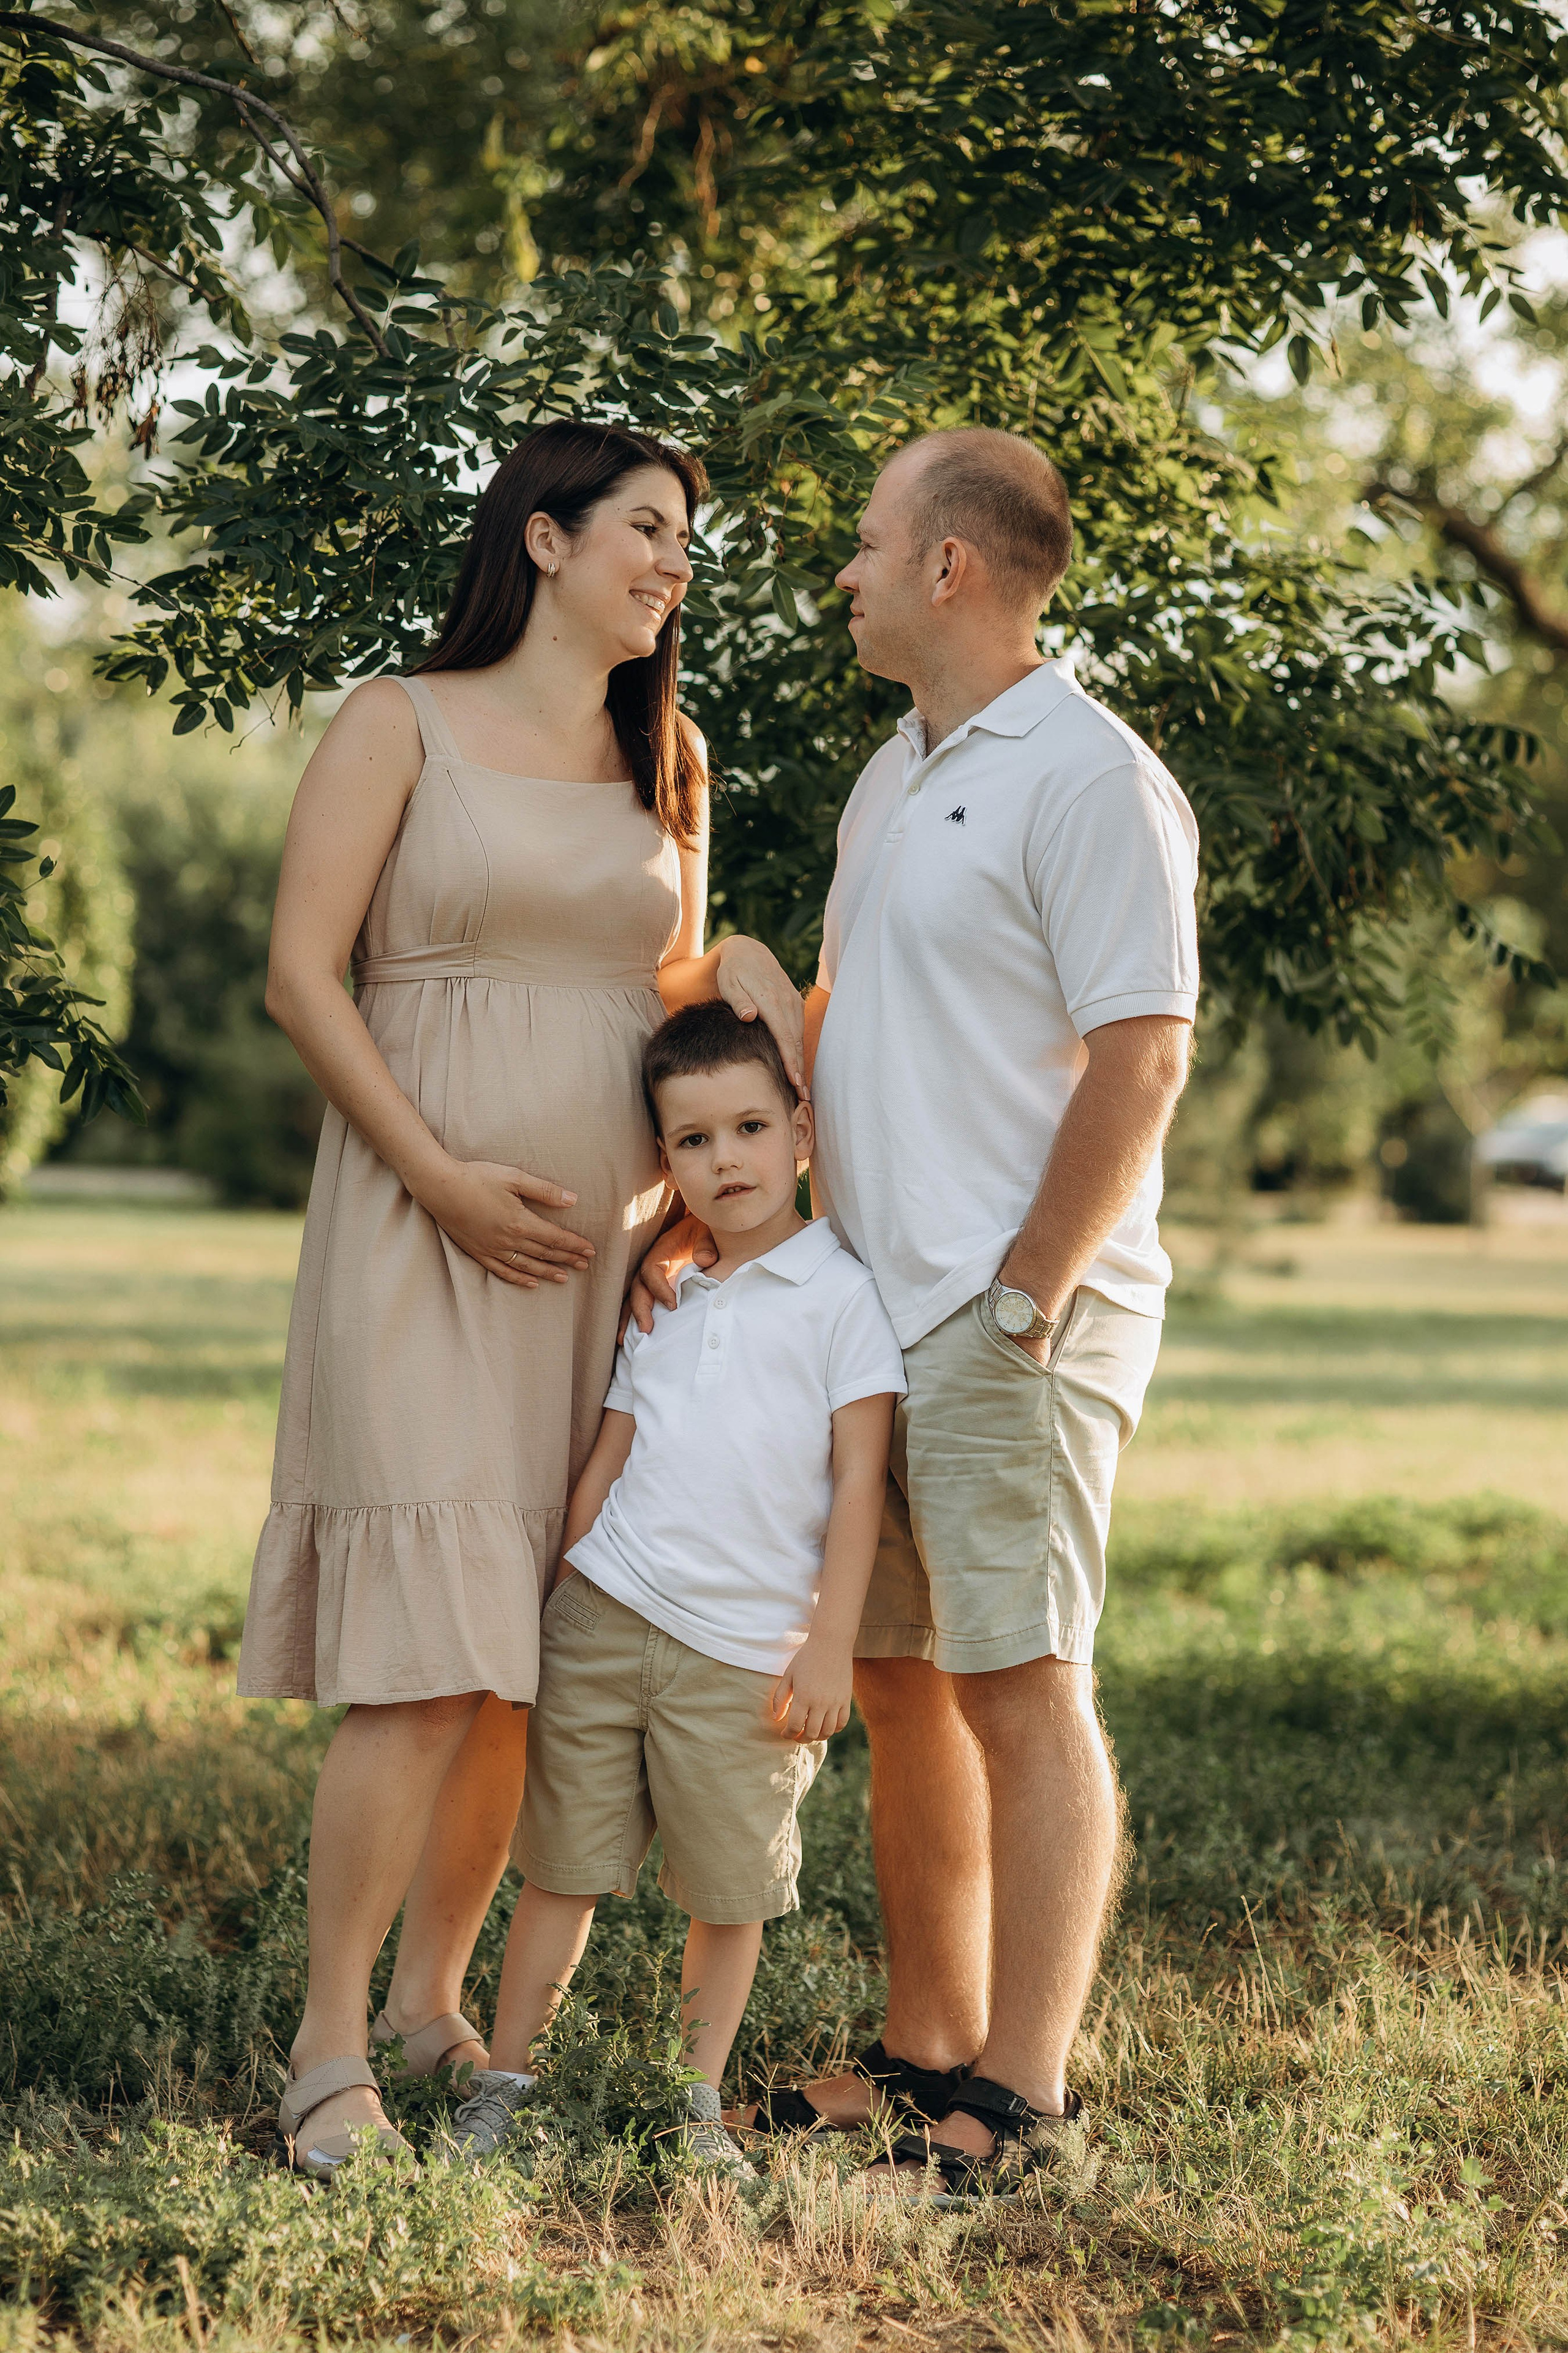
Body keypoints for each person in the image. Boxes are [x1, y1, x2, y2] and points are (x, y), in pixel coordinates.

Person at [236, 421, 807, 2181]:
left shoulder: (675, 754)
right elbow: (299, 976)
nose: (671, 564)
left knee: (521, 1665)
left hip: (597, 1264)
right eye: (645, 529)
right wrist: (442, 1177)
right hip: (420, 1231)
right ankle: (328, 2047)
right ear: (544, 540)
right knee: (419, 1662)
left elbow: (676, 1002)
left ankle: (433, 2002)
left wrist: (699, 1184)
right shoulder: (396, 721)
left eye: (684, 544)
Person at [636, 428, 1199, 2200]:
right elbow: (855, 1033)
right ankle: (928, 2041)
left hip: (1008, 1310)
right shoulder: (901, 770)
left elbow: (1145, 1052)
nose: (848, 572)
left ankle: (1021, 2101)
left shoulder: (1092, 777)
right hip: (882, 1309)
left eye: (869, 544)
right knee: (901, 1679)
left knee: (1026, 1679)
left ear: (950, 566)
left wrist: (1032, 1289)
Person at [442, 999, 905, 2170]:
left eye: (750, 1126)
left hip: (747, 1654)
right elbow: (607, 1456)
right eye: (692, 1140)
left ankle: (693, 2105)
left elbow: (860, 1487)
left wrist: (829, 1644)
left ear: (802, 1130)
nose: (725, 1158)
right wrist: (549, 1594)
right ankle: (505, 2086)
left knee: (728, 1889)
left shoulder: (845, 1299)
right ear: (667, 1159)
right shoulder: (666, 1291)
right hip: (603, 1613)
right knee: (562, 1867)